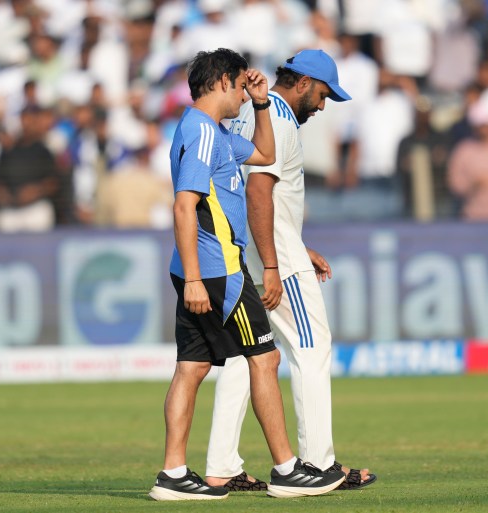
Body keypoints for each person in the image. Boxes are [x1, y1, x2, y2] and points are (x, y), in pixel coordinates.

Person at [149, 48, 344, 502]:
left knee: (193, 367)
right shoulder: (201, 130)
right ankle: (287, 469)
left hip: (206, 270)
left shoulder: (213, 130)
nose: (243, 93)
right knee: (265, 358)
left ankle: (173, 474)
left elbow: (262, 153)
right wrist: (197, 278)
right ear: (220, 82)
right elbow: (184, 205)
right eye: (240, 85)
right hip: (220, 270)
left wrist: (259, 103)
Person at [205, 49, 377, 492]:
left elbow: (255, 197)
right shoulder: (277, 117)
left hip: (248, 250)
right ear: (302, 82)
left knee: (249, 356)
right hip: (273, 259)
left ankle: (221, 464)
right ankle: (318, 463)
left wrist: (298, 245)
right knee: (312, 347)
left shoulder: (248, 115)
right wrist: (275, 264)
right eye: (321, 96)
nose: (322, 107)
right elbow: (259, 191)